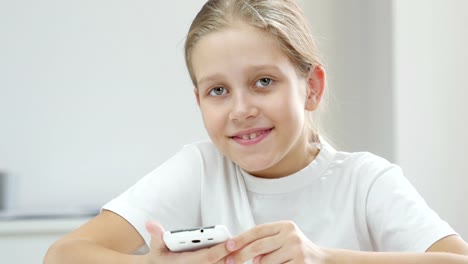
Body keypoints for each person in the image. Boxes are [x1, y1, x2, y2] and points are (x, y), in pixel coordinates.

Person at [44, 0, 468, 263]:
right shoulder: (200, 170)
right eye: (218, 91)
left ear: (312, 87)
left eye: (263, 81)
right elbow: (62, 256)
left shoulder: (366, 182)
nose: (241, 109)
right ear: (199, 102)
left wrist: (322, 258)